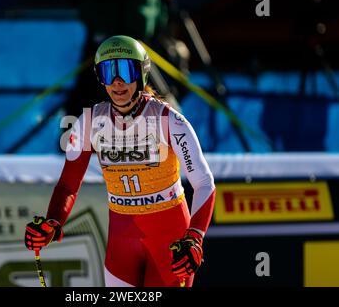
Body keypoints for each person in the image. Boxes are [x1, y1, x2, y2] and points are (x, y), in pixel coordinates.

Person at [24, 35, 216, 287]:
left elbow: (204, 183)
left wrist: (194, 237)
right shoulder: (89, 122)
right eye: (108, 72)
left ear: (141, 74)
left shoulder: (170, 120)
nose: (117, 82)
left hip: (169, 240)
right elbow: (68, 185)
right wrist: (53, 222)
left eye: (125, 71)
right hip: (121, 242)